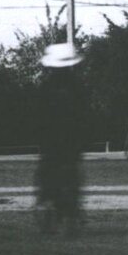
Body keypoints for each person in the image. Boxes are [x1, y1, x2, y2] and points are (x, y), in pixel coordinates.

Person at [32, 42, 87, 235]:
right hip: (72, 139)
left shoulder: (46, 86)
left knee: (47, 171)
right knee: (72, 173)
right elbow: (86, 114)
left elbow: (36, 115)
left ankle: (45, 202)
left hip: (51, 139)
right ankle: (71, 210)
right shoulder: (78, 86)